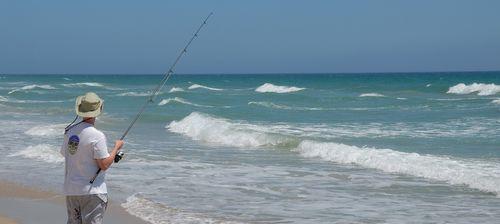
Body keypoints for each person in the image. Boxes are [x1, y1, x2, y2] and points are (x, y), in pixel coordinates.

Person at [60, 92, 123, 224]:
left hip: (72, 191)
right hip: (92, 192)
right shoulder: (97, 135)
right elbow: (104, 164)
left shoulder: (69, 132)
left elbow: (66, 153)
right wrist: (116, 148)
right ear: (99, 110)